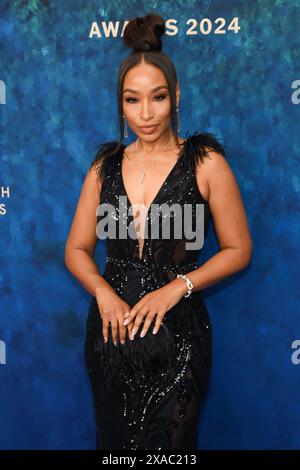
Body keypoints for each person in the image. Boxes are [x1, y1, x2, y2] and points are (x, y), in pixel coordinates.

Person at [64, 13, 253, 450]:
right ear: (120, 102)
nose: (145, 114)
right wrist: (102, 292)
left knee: (173, 447)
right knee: (115, 447)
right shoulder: (104, 167)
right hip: (112, 336)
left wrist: (177, 287)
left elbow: (239, 249)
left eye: (158, 98)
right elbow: (76, 248)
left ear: (176, 96)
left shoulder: (206, 162)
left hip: (179, 335)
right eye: (132, 100)